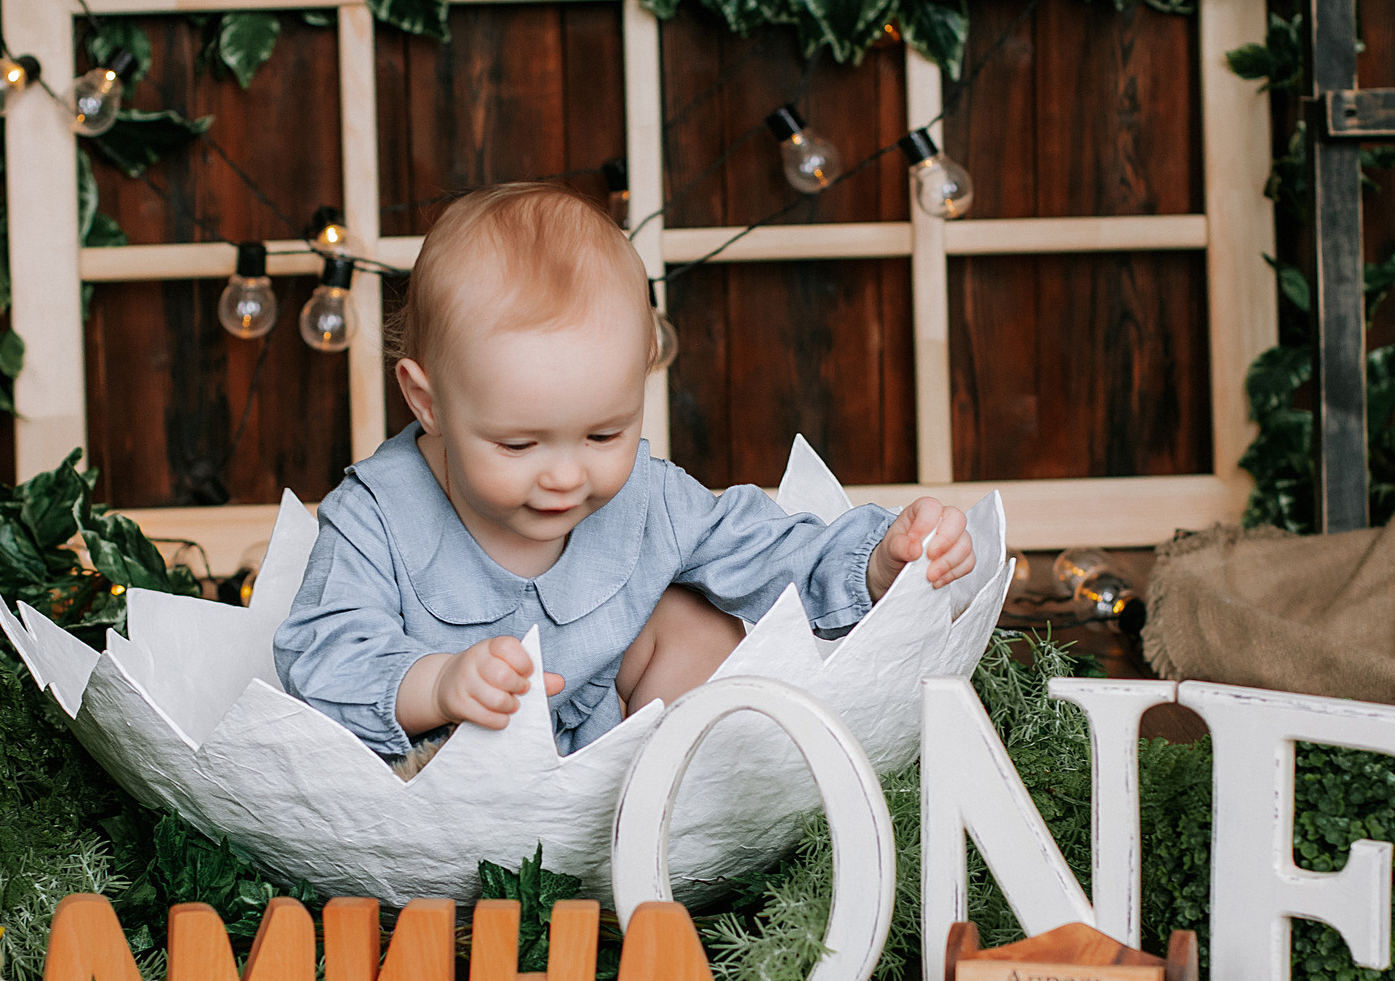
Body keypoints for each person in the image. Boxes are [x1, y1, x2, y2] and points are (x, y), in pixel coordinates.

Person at [273, 182, 976, 762]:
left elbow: (762, 547)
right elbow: (321, 655)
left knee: (695, 619)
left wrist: (876, 562)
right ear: (428, 403)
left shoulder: (646, 496)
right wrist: (434, 684)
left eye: (604, 433)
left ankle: (678, 787)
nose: (565, 476)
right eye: (518, 445)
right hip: (450, 768)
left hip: (615, 749)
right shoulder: (376, 514)